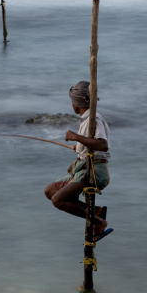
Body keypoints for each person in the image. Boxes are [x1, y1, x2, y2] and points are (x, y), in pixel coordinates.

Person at [43, 81, 112, 241]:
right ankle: (95, 211)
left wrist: (76, 136)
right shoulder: (86, 120)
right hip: (84, 169)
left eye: (72, 101)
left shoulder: (93, 119)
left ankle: (99, 222)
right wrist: (79, 146)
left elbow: (103, 145)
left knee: (58, 200)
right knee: (49, 191)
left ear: (77, 103)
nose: (71, 105)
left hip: (95, 171)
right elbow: (92, 143)